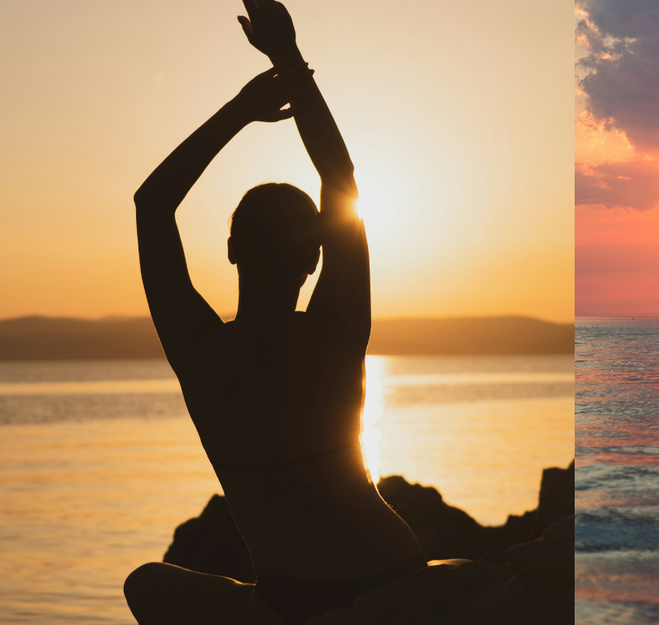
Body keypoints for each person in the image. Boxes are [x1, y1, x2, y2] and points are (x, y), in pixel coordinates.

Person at [123, 1, 432, 623]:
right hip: (392, 576)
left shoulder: (201, 352)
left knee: (145, 585)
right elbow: (339, 174)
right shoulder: (337, 329)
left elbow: (152, 204)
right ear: (314, 261)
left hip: (292, 599)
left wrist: (242, 110)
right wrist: (287, 58)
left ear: (232, 248)